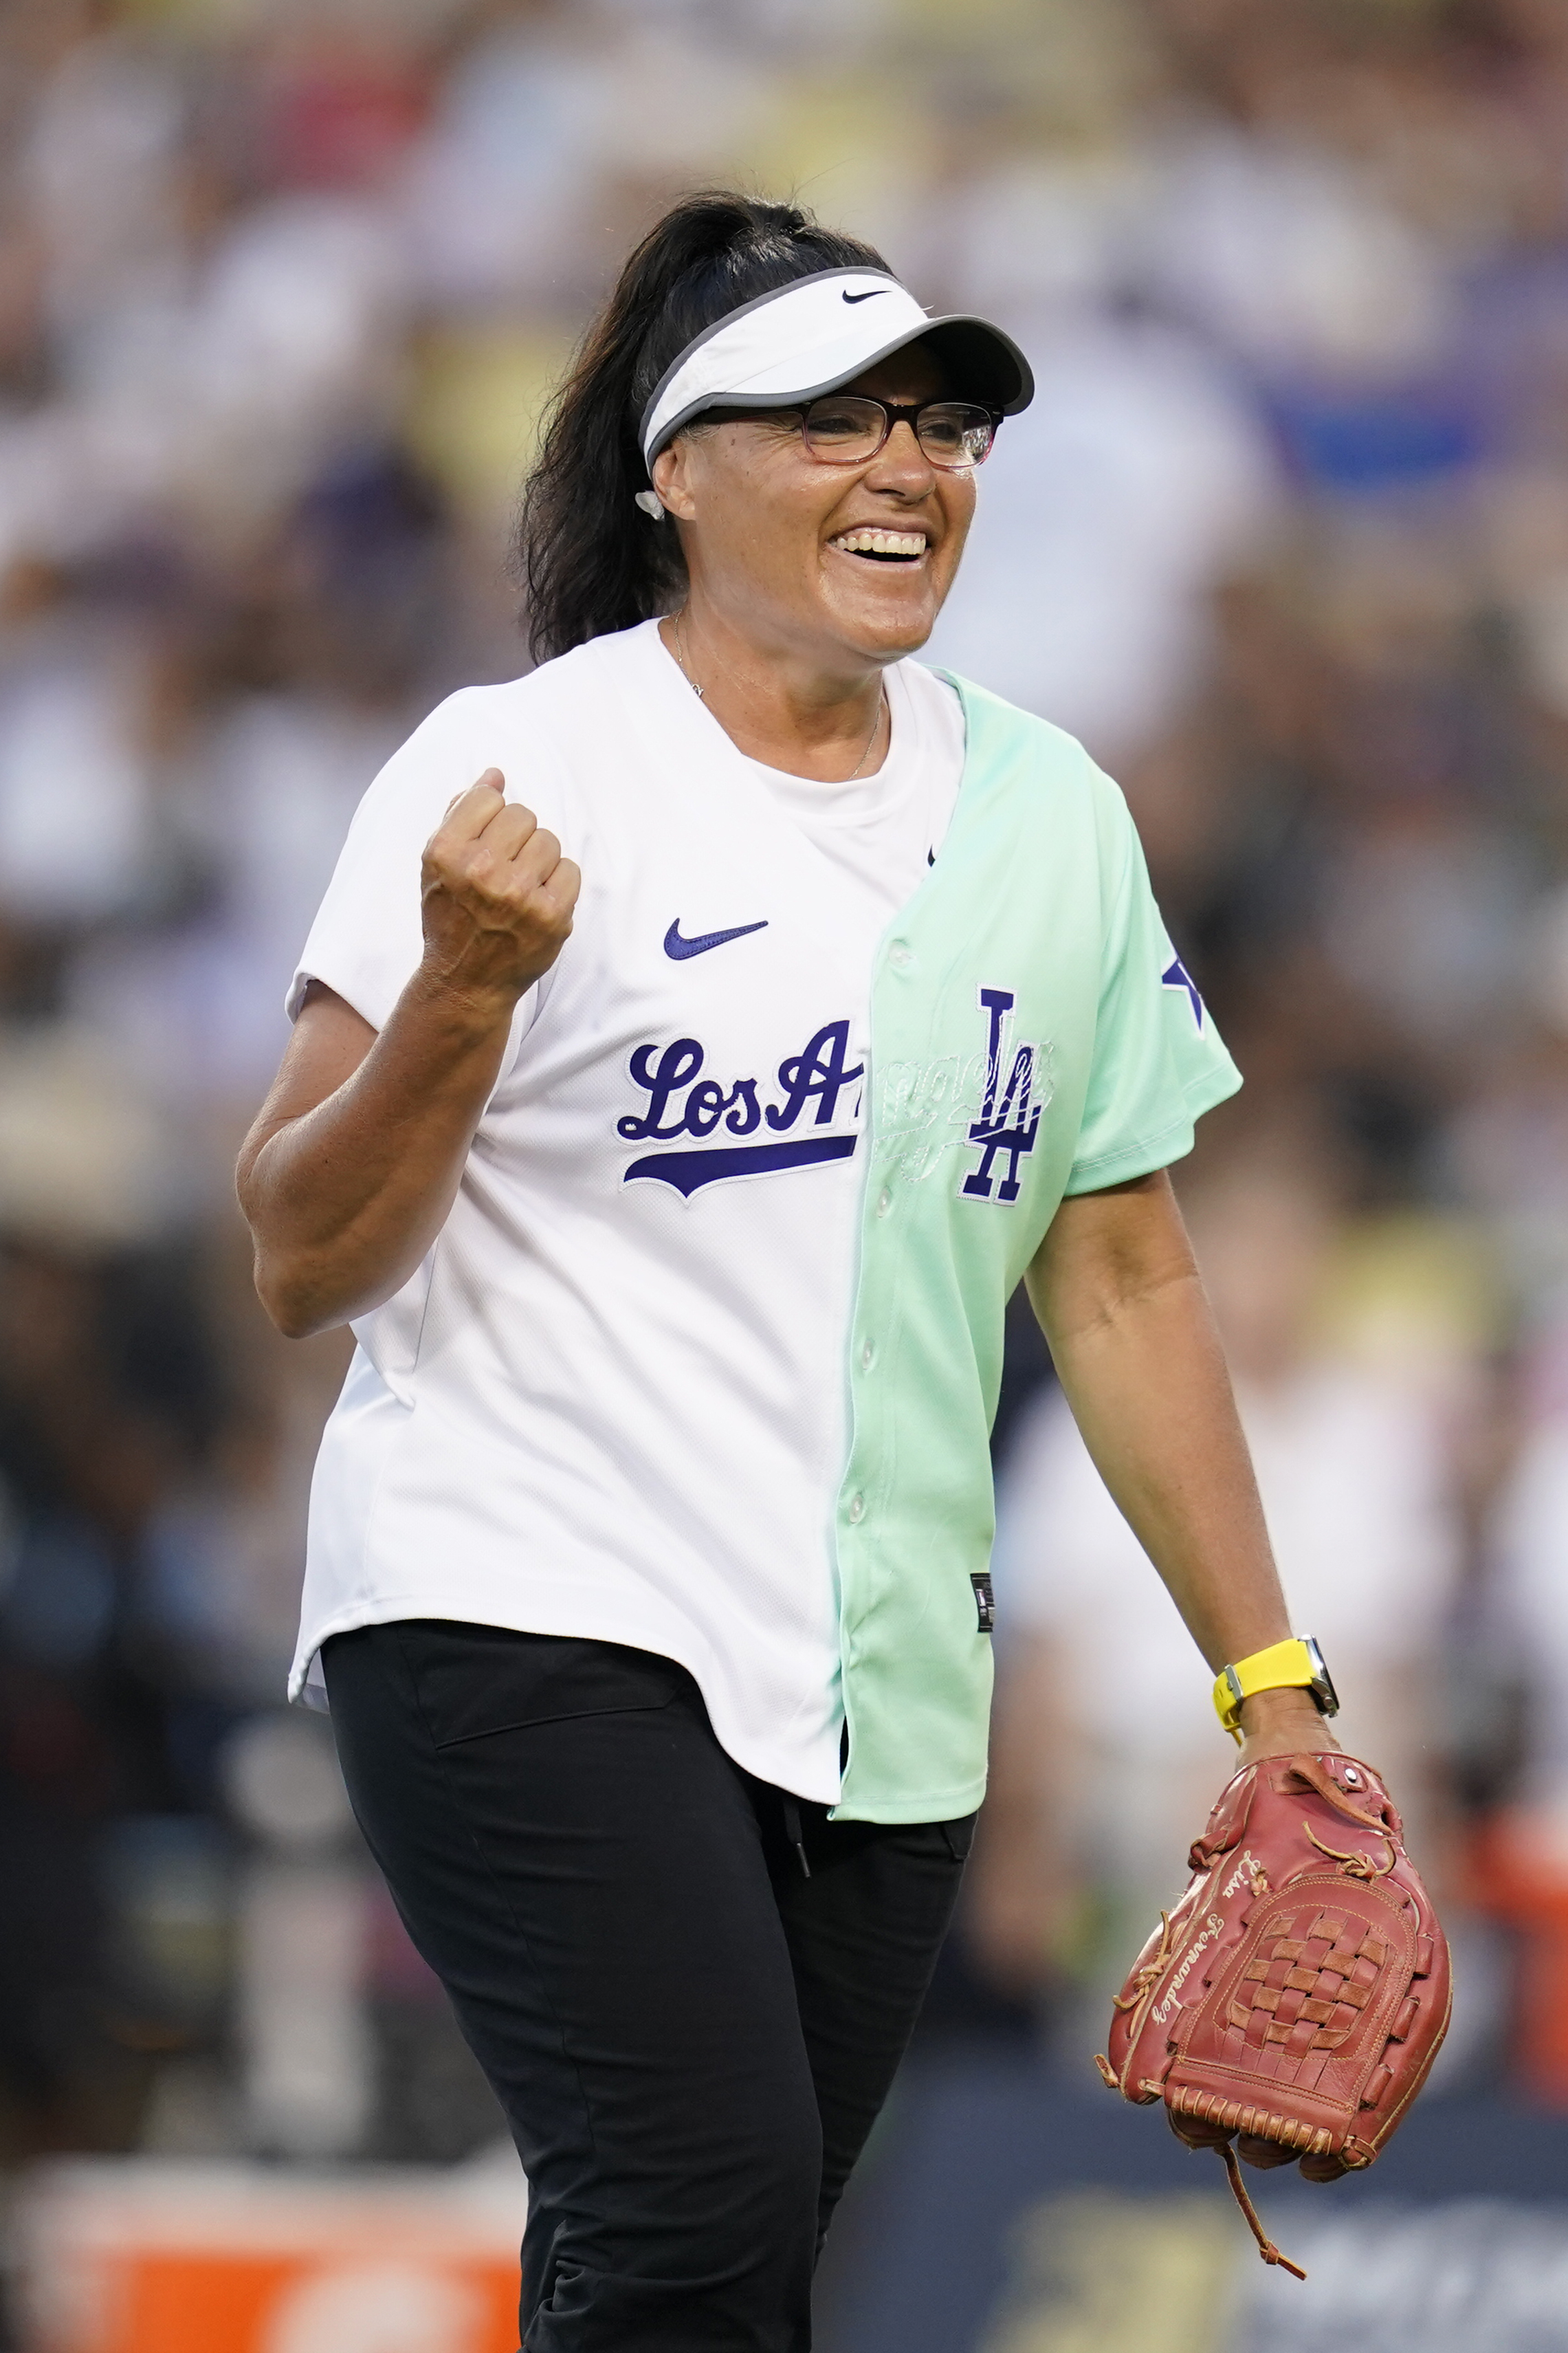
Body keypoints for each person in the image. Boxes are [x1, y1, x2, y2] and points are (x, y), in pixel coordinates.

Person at [236, 191, 1343, 2353]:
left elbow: (1114, 1280)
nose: (906, 466)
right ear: (676, 470)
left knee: (698, 2269)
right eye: (834, 421)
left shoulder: (1051, 813)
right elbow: (301, 1255)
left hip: (878, 1680)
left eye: (938, 424)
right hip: (522, 1600)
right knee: (699, 2218)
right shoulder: (520, 767)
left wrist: (1270, 1691)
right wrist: (458, 1002)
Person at [968, 1147, 1459, 2022]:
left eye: (1292, 1248)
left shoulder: (1377, 1430)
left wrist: (1422, 1846)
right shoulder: (1081, 1428)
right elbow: (1048, 1659)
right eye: (1244, 1246)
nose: (1269, 1276)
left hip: (1336, 1794)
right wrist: (1022, 1845)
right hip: (1136, 1788)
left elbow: (1403, 1663)